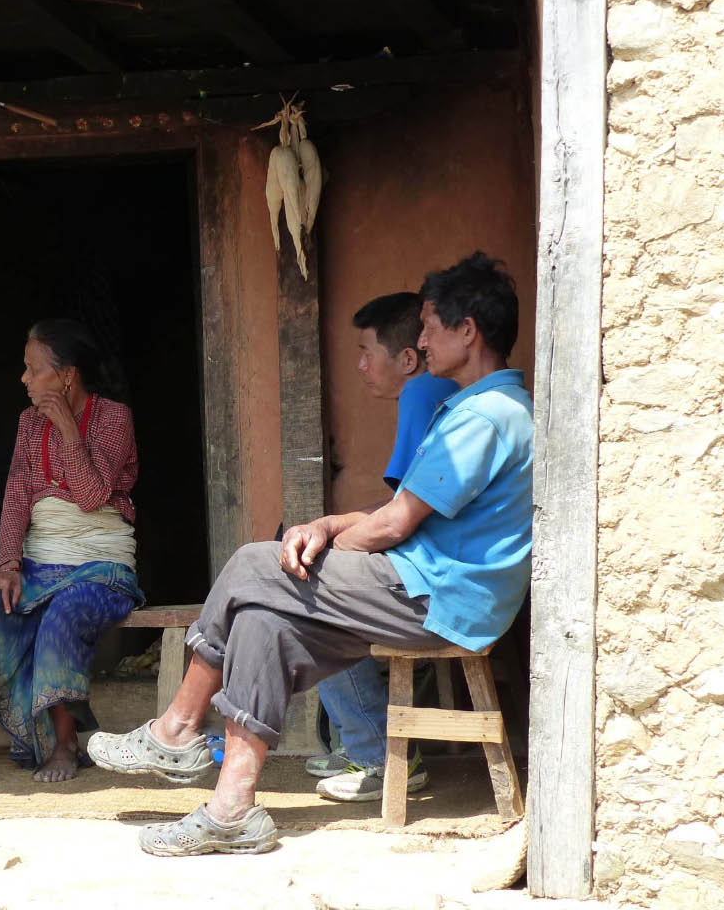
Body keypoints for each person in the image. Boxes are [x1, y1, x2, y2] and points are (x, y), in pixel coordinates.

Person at [88, 253, 532, 856]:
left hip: (440, 593)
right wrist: (325, 526)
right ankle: (232, 810)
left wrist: (327, 545)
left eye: (429, 327)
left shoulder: (487, 416)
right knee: (263, 621)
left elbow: (394, 524)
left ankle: (177, 729)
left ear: (468, 330)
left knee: (252, 564)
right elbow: (403, 507)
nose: (422, 342)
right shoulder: (478, 408)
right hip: (425, 581)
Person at [0, 318, 141, 785]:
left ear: (67, 375)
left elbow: (93, 496)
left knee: (62, 613)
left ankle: (65, 745)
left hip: (101, 566)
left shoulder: (114, 418)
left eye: (33, 370)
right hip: (39, 562)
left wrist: (69, 431)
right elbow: (16, 497)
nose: (24, 379)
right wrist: (8, 565)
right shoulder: (28, 423)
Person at [308, 292, 458, 802]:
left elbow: (399, 517)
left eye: (367, 350)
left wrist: (336, 536)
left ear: (409, 358)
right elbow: (406, 500)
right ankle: (361, 741)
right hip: (454, 575)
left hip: (429, 577)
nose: (361, 364)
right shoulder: (449, 391)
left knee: (310, 586)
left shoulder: (422, 391)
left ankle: (373, 752)